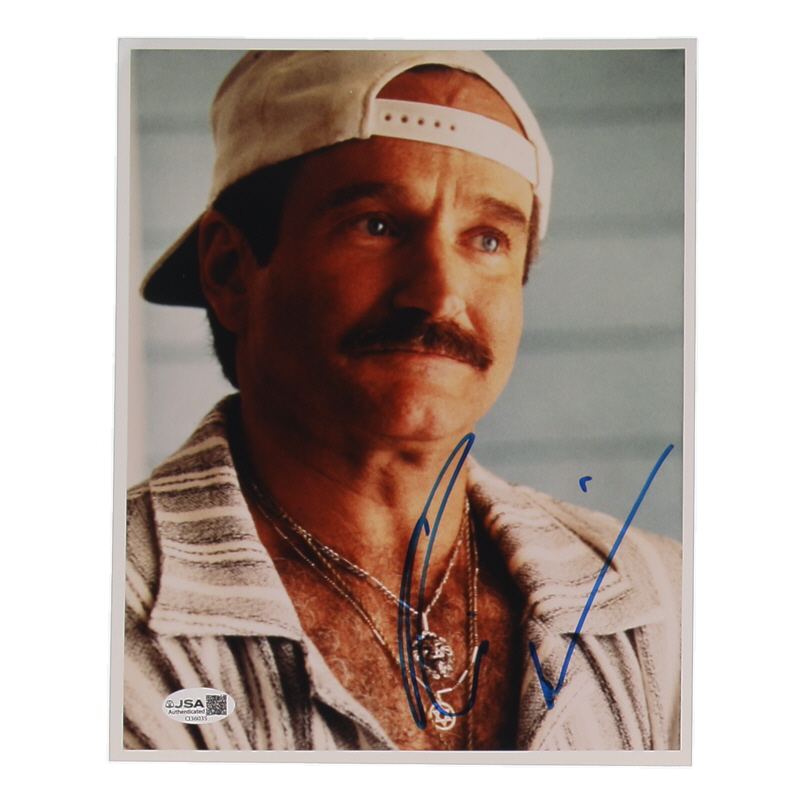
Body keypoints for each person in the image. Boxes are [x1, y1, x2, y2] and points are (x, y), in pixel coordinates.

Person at [124, 50, 681, 752]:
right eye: (376, 224)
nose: (439, 295)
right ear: (230, 269)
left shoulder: (665, 605)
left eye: (487, 239)